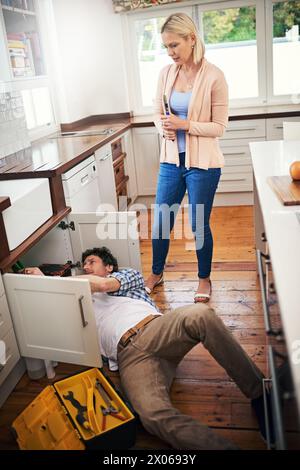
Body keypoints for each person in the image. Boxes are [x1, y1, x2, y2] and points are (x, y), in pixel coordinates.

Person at [25, 247, 271, 450]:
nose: (86, 267)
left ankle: (260, 393)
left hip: (155, 330)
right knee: (152, 416)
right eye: (84, 265)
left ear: (109, 267)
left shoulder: (126, 277)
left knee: (200, 314)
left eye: (91, 262)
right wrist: (40, 284)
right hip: (129, 358)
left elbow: (99, 285)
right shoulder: (78, 301)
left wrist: (51, 280)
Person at [145, 13, 228, 303]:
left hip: (202, 166)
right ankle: (156, 273)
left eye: (174, 45)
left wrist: (184, 126)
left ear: (191, 39)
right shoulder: (166, 74)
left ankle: (204, 279)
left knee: (198, 225)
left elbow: (219, 127)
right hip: (171, 161)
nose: (170, 53)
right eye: (166, 47)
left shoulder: (214, 75)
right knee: (160, 222)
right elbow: (157, 114)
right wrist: (164, 128)